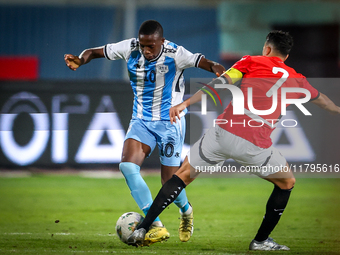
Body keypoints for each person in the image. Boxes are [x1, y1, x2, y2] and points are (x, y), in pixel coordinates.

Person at [127, 30, 340, 250]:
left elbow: (220, 84)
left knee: (181, 176)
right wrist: (336, 110)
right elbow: (321, 100)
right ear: (286, 57)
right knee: (287, 183)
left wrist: (185, 104)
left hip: (222, 134)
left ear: (266, 49)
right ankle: (260, 241)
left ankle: (143, 227)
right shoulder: (297, 79)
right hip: (254, 144)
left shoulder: (250, 61)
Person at [64, 20, 226, 245]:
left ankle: (186, 212)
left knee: (169, 181)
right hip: (141, 121)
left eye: (151, 46)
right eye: (143, 45)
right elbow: (93, 52)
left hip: (170, 122)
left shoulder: (175, 53)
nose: (146, 50)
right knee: (127, 167)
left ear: (162, 41)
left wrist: (217, 68)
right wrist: (81, 60)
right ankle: (155, 225)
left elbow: (205, 63)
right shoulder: (130, 48)